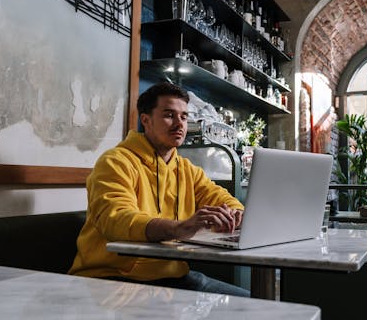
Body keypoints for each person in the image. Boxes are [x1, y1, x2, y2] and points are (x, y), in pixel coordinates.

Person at [68, 82, 249, 297]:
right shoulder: (115, 162)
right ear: (146, 120)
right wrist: (177, 228)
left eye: (183, 116)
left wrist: (235, 214)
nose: (179, 123)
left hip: (173, 279)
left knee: (258, 306)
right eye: (169, 115)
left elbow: (221, 198)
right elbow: (114, 218)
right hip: (110, 280)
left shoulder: (187, 170)